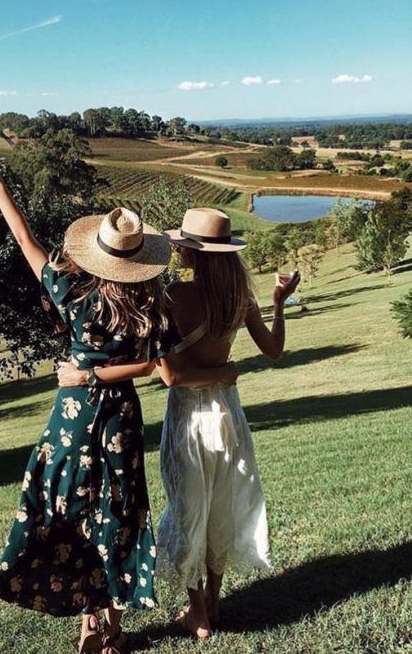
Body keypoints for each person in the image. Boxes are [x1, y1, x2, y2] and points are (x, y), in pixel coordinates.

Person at [0, 151, 237, 654]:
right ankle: (111, 626)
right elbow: (154, 369)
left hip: (72, 416)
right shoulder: (152, 304)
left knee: (68, 510)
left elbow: (24, 239)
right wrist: (105, 373)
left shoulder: (71, 292)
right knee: (118, 515)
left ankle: (90, 622)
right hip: (119, 420)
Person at [157, 207, 300, 639]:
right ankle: (214, 603)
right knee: (221, 505)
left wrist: (217, 373)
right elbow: (274, 350)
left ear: (193, 252)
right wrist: (278, 304)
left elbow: (172, 375)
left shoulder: (174, 297)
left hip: (189, 414)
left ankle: (198, 612)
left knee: (188, 509)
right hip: (227, 412)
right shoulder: (240, 298)